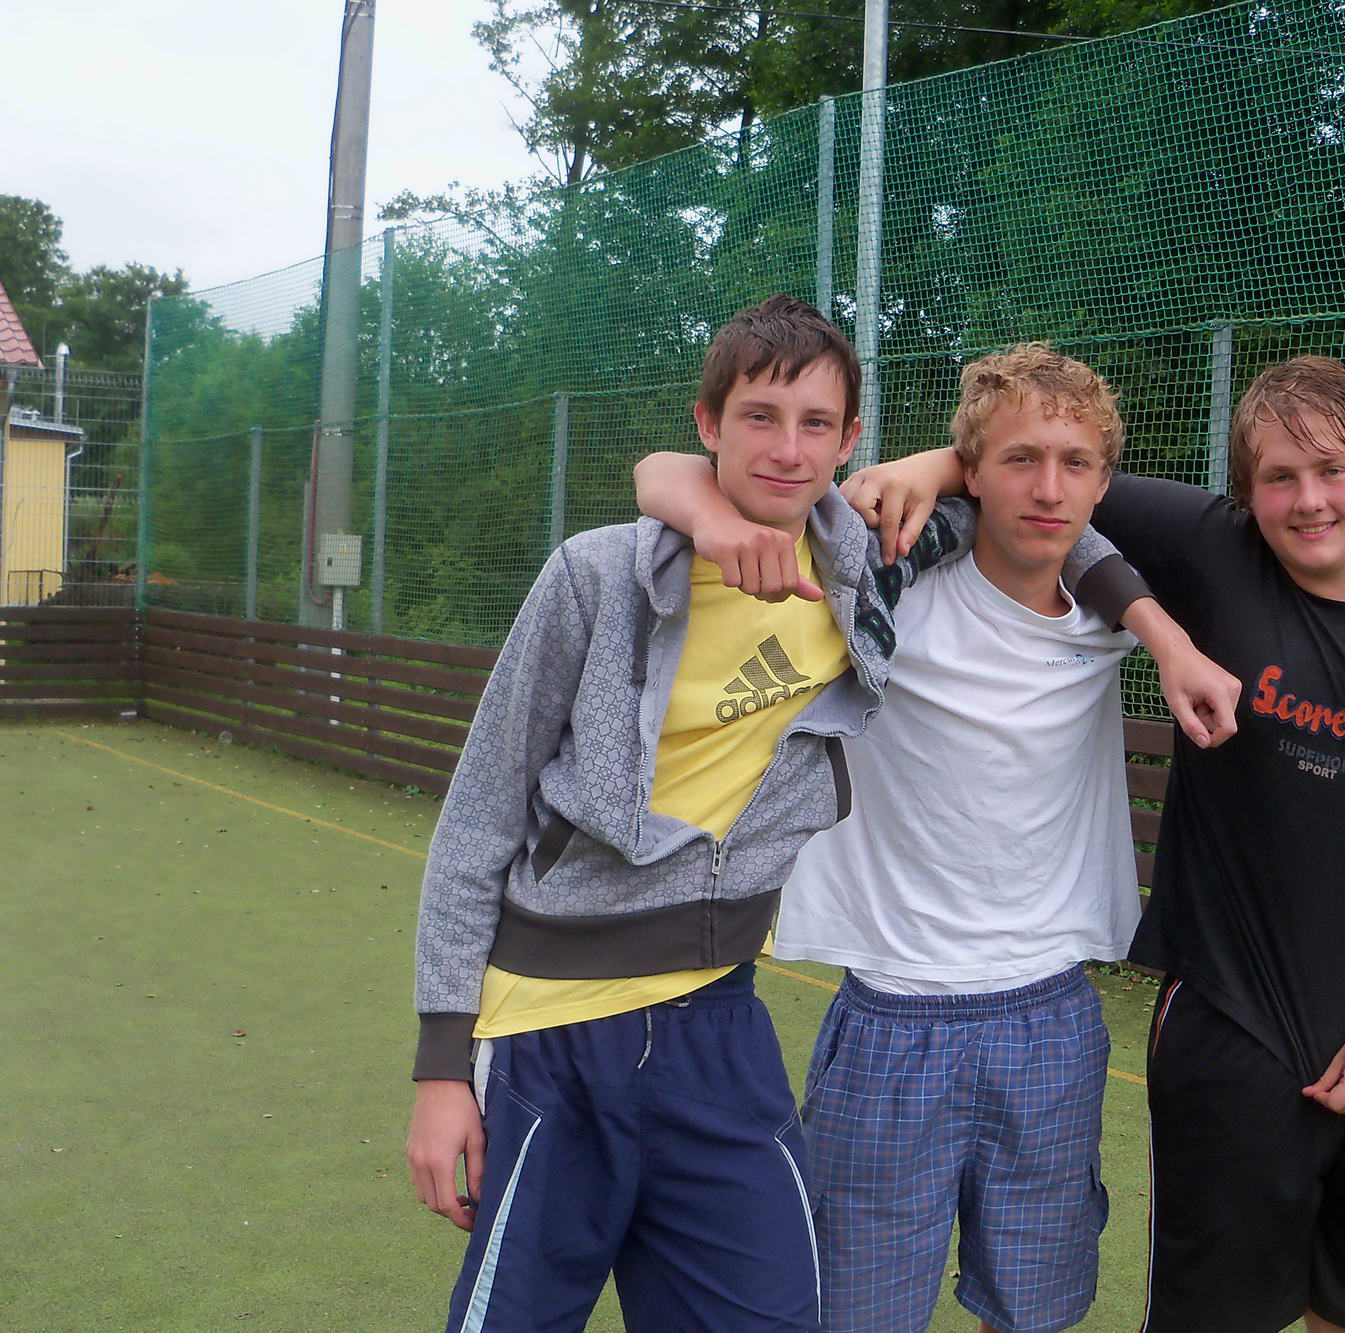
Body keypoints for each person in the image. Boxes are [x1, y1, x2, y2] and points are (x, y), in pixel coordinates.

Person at [402, 296, 1161, 1333]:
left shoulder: (867, 569)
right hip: (552, 1026)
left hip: (721, 1015)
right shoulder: (597, 574)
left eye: (816, 424)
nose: (787, 448)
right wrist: (441, 1067)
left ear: (850, 442)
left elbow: (1041, 518)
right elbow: (476, 821)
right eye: (758, 417)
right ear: (707, 424)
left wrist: (1158, 629)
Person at [842, 353, 1345, 1333]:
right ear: (1245, 493)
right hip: (1229, 1036)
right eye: (1279, 477)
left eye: (1333, 470)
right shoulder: (1215, 553)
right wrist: (916, 468)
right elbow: (1037, 472)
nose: (1309, 500)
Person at [630, 344, 1239, 1333]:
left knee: (1034, 1312)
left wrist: (1170, 636)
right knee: (854, 1314)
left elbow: (1303, 536)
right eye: (1017, 459)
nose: (1048, 488)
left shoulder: (1120, 614)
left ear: (1104, 482)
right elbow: (663, 472)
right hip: (891, 1013)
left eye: (1075, 464)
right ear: (969, 470)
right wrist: (900, 474)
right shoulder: (881, 584)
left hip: (1051, 1014)